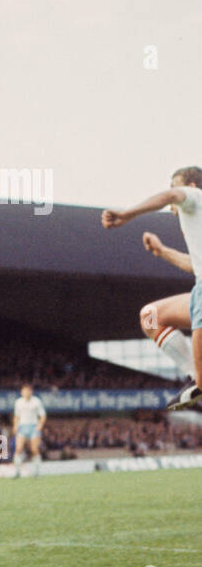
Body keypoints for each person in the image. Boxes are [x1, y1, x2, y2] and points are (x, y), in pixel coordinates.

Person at [101, 166, 202, 408]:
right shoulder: (195, 219)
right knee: (150, 316)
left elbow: (170, 196)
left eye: (175, 186)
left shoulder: (195, 196)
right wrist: (162, 251)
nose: (171, 203)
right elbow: (195, 265)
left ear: (190, 186)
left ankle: (199, 381)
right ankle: (195, 378)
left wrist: (127, 214)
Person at [12, 384, 46, 477]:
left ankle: (36, 471)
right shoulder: (18, 402)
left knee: (34, 449)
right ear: (22, 392)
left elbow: (43, 415)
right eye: (24, 391)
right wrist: (15, 426)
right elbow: (16, 416)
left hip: (34, 426)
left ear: (31, 392)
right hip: (22, 426)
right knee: (18, 449)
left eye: (28, 391)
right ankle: (17, 471)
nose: (26, 393)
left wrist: (40, 425)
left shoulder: (36, 401)